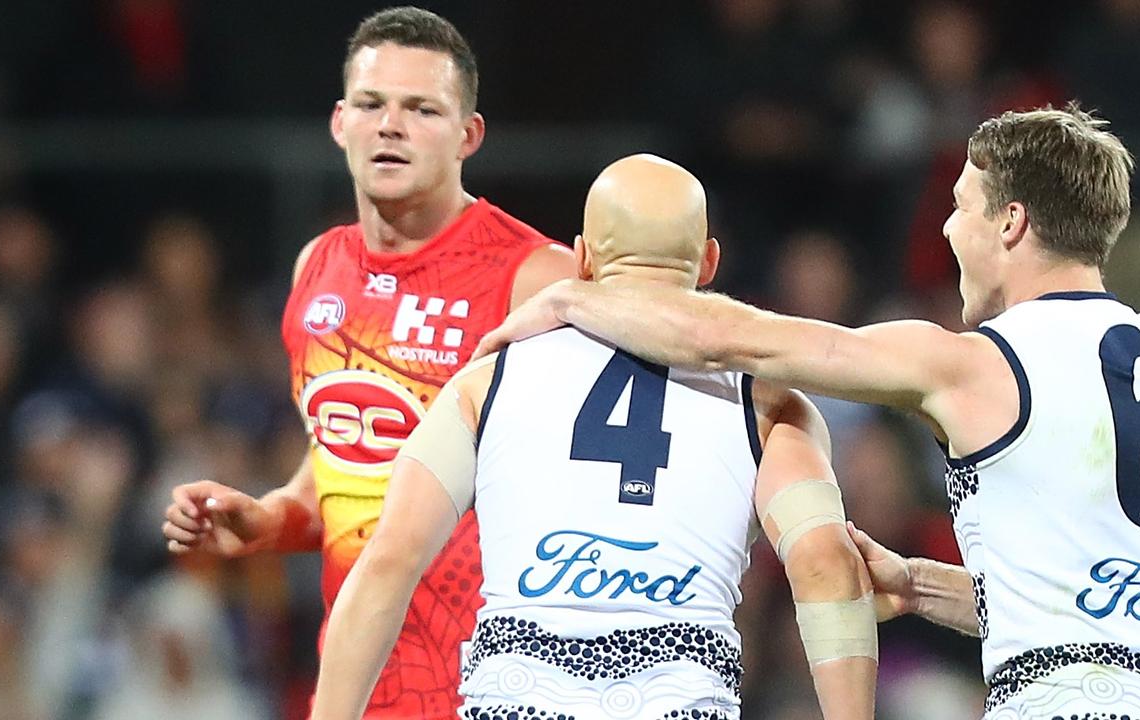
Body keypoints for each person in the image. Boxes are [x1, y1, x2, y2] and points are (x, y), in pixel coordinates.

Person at [476, 106, 1140, 719]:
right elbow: (1111, 623)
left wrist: (579, 292)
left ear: (1009, 224)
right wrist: (917, 584)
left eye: (961, 207)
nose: (946, 229)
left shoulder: (971, 362)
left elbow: (725, 341)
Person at [309, 154, 878, 720]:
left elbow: (388, 561)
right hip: (676, 702)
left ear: (580, 259)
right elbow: (826, 562)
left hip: (518, 700)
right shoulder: (772, 407)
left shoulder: (485, 383)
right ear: (708, 262)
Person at [160, 8, 573, 719]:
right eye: (373, 105)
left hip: (506, 687)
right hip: (364, 689)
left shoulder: (537, 279)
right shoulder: (316, 270)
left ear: (468, 136)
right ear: (339, 122)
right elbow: (343, 470)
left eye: (422, 110)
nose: (391, 126)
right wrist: (270, 518)